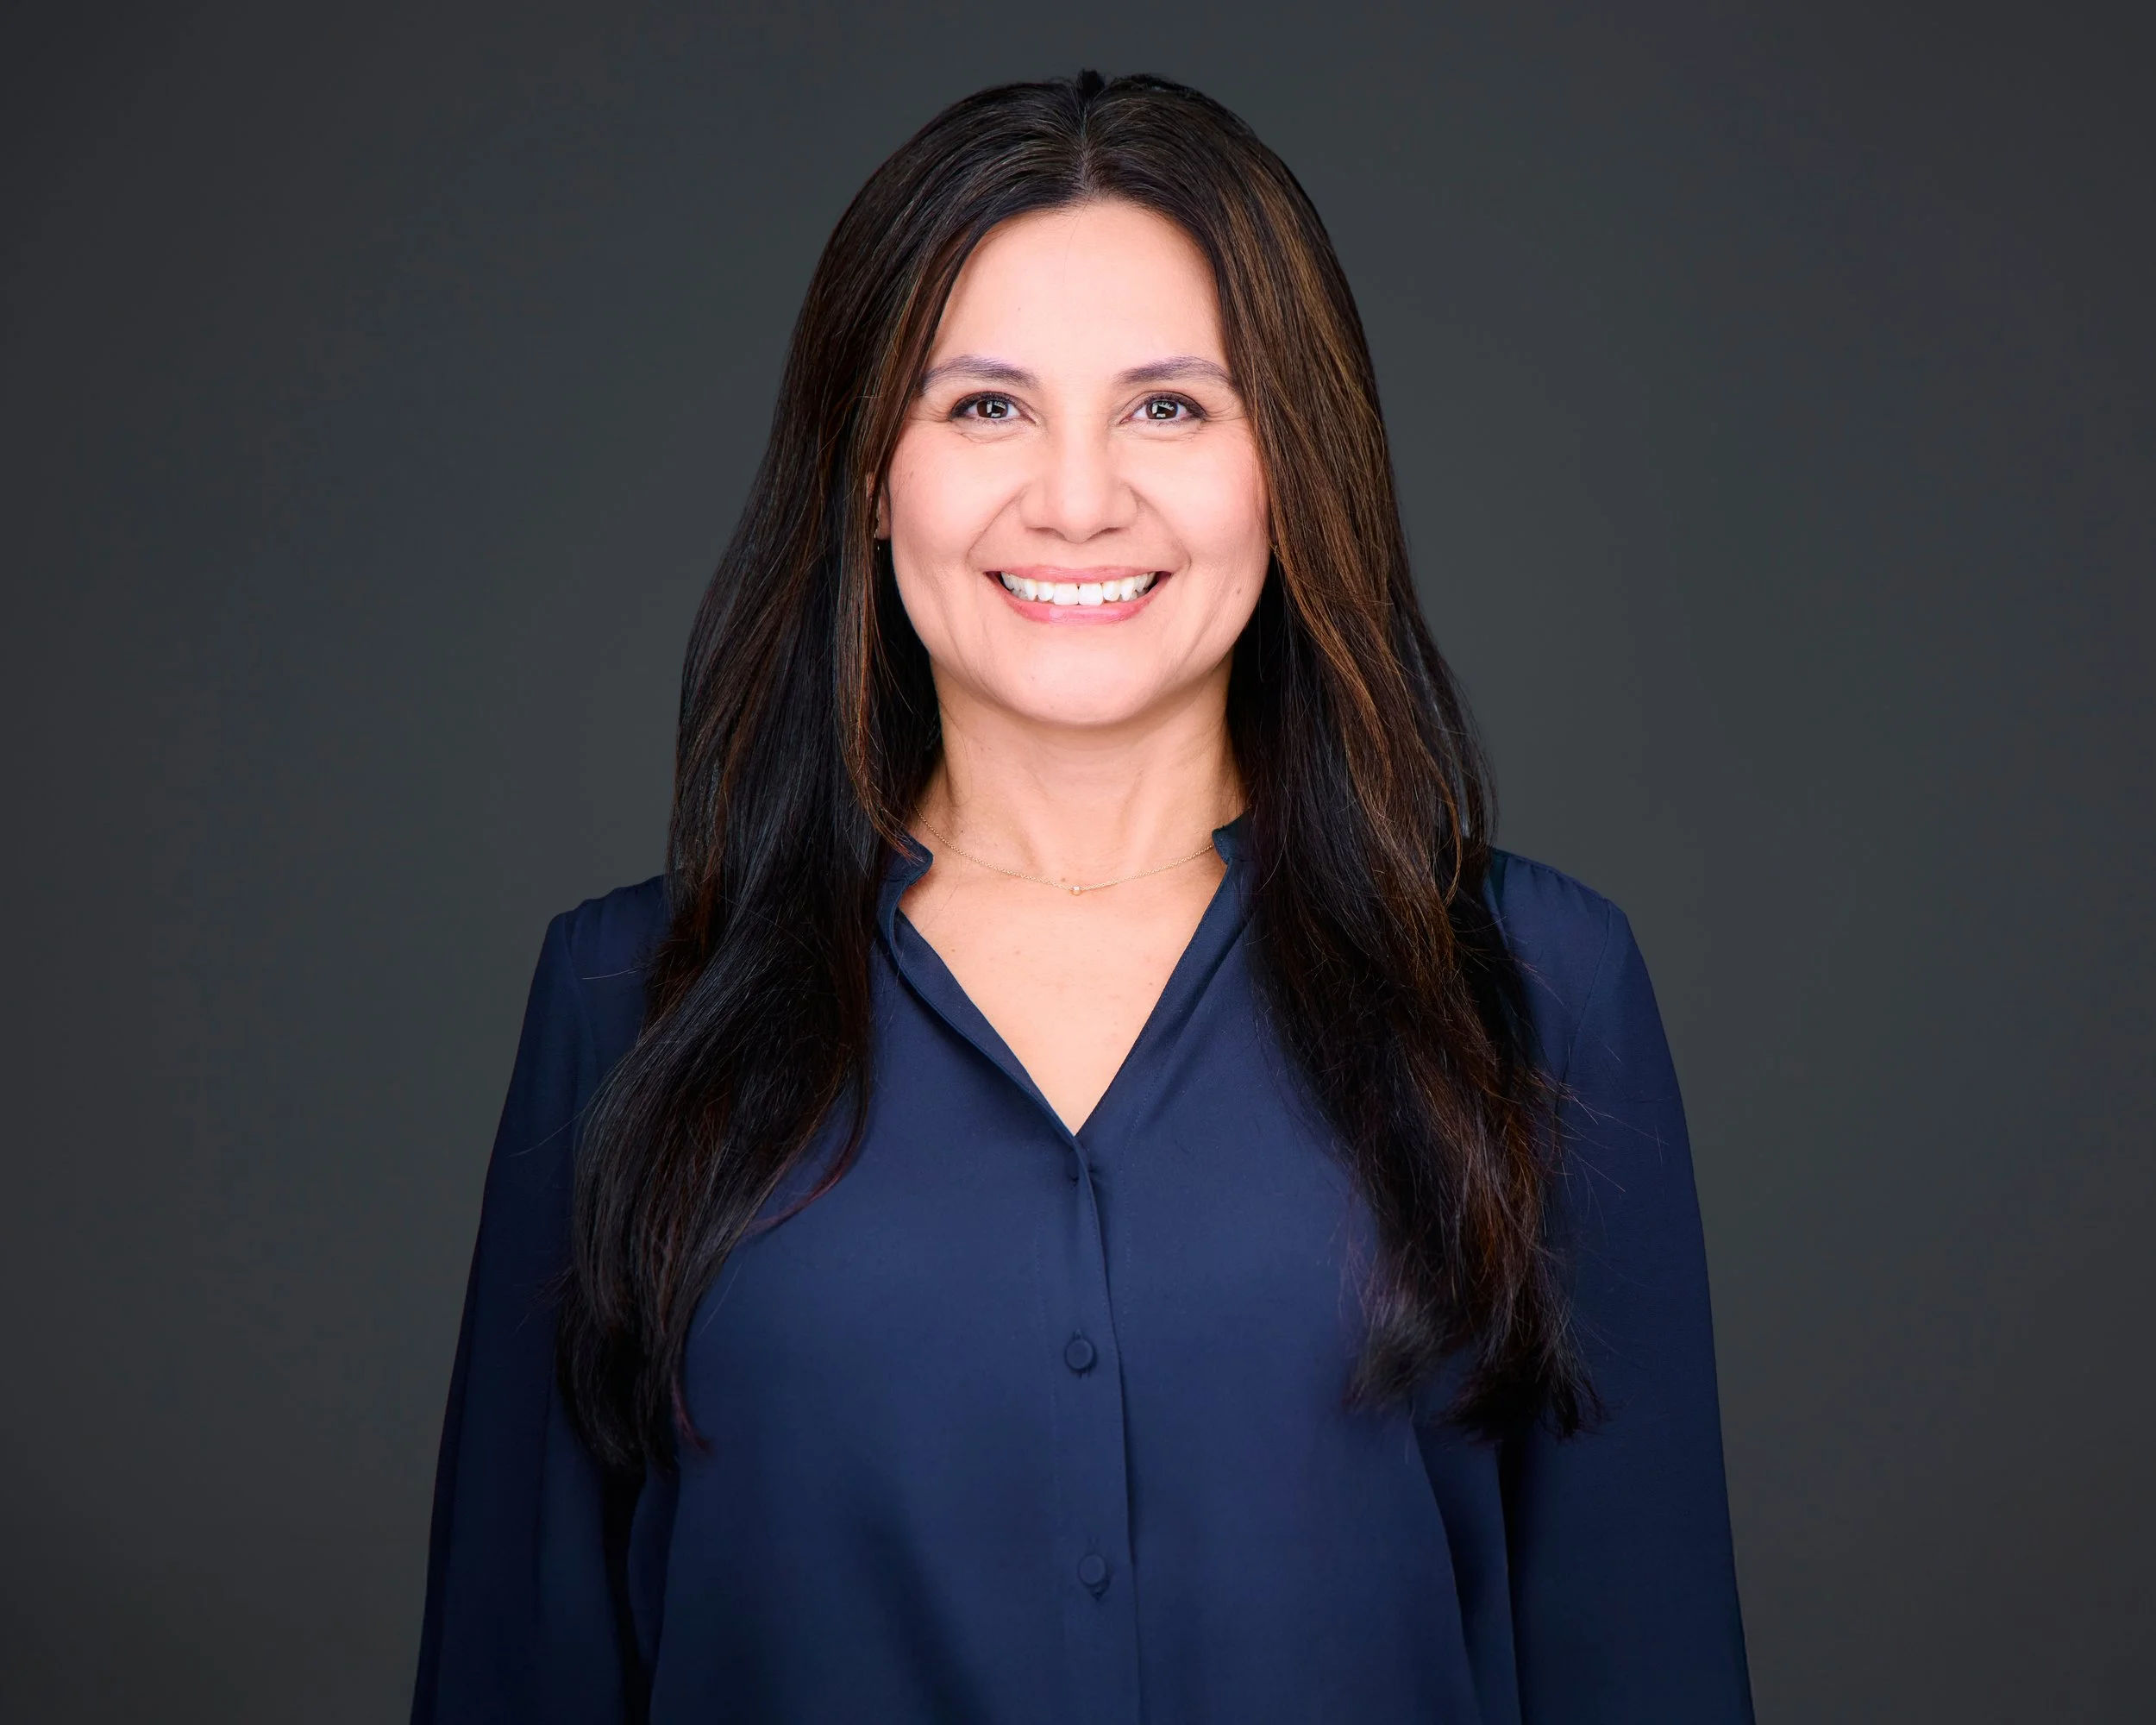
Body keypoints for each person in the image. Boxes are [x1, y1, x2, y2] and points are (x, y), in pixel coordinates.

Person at [412, 71, 1752, 1725]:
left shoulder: (1537, 987)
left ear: (1294, 466)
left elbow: (1643, 1662)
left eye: (1170, 408)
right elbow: (517, 1669)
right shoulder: (630, 1005)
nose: (1074, 497)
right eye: (983, 407)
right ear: (866, 470)